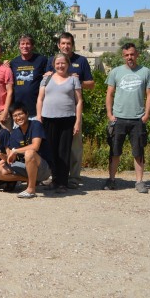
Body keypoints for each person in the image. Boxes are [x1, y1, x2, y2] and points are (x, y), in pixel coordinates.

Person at [104, 42, 150, 193]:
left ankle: (139, 182)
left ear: (136, 54)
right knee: (114, 152)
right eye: (126, 55)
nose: (129, 57)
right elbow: (109, 93)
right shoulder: (116, 72)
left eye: (132, 54)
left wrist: (146, 114)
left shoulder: (145, 72)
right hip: (118, 118)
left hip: (137, 119)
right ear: (123, 56)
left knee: (138, 152)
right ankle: (112, 180)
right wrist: (109, 114)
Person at [47, 32, 94, 187]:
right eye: (63, 43)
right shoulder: (52, 60)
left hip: (73, 111)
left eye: (68, 43)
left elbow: (91, 84)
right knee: (54, 146)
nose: (65, 46)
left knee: (74, 147)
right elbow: (47, 79)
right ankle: (54, 176)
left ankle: (74, 178)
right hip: (54, 112)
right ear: (58, 45)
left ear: (72, 45)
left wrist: (75, 80)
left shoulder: (81, 61)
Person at [36, 53, 83, 193]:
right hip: (48, 119)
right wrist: (39, 116)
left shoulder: (73, 80)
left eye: (63, 63)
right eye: (58, 63)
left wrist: (78, 121)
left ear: (68, 64)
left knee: (64, 151)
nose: (60, 66)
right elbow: (40, 98)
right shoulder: (46, 78)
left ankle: (63, 182)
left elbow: (79, 101)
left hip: (67, 119)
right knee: (51, 151)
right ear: (54, 64)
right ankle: (54, 180)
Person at [0, 102, 52, 199]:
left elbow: (35, 146)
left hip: (43, 168)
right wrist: (2, 156)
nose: (18, 118)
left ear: (27, 114)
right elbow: (12, 159)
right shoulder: (14, 134)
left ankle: (31, 190)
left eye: (20, 114)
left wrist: (15, 151)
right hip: (26, 167)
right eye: (15, 116)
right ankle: (31, 180)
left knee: (30, 152)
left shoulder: (36, 125)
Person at [10, 34, 47, 119]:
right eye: (22, 44)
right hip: (18, 111)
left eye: (28, 44)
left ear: (32, 46)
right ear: (19, 46)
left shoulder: (42, 60)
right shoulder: (13, 63)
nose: (25, 46)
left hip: (36, 111)